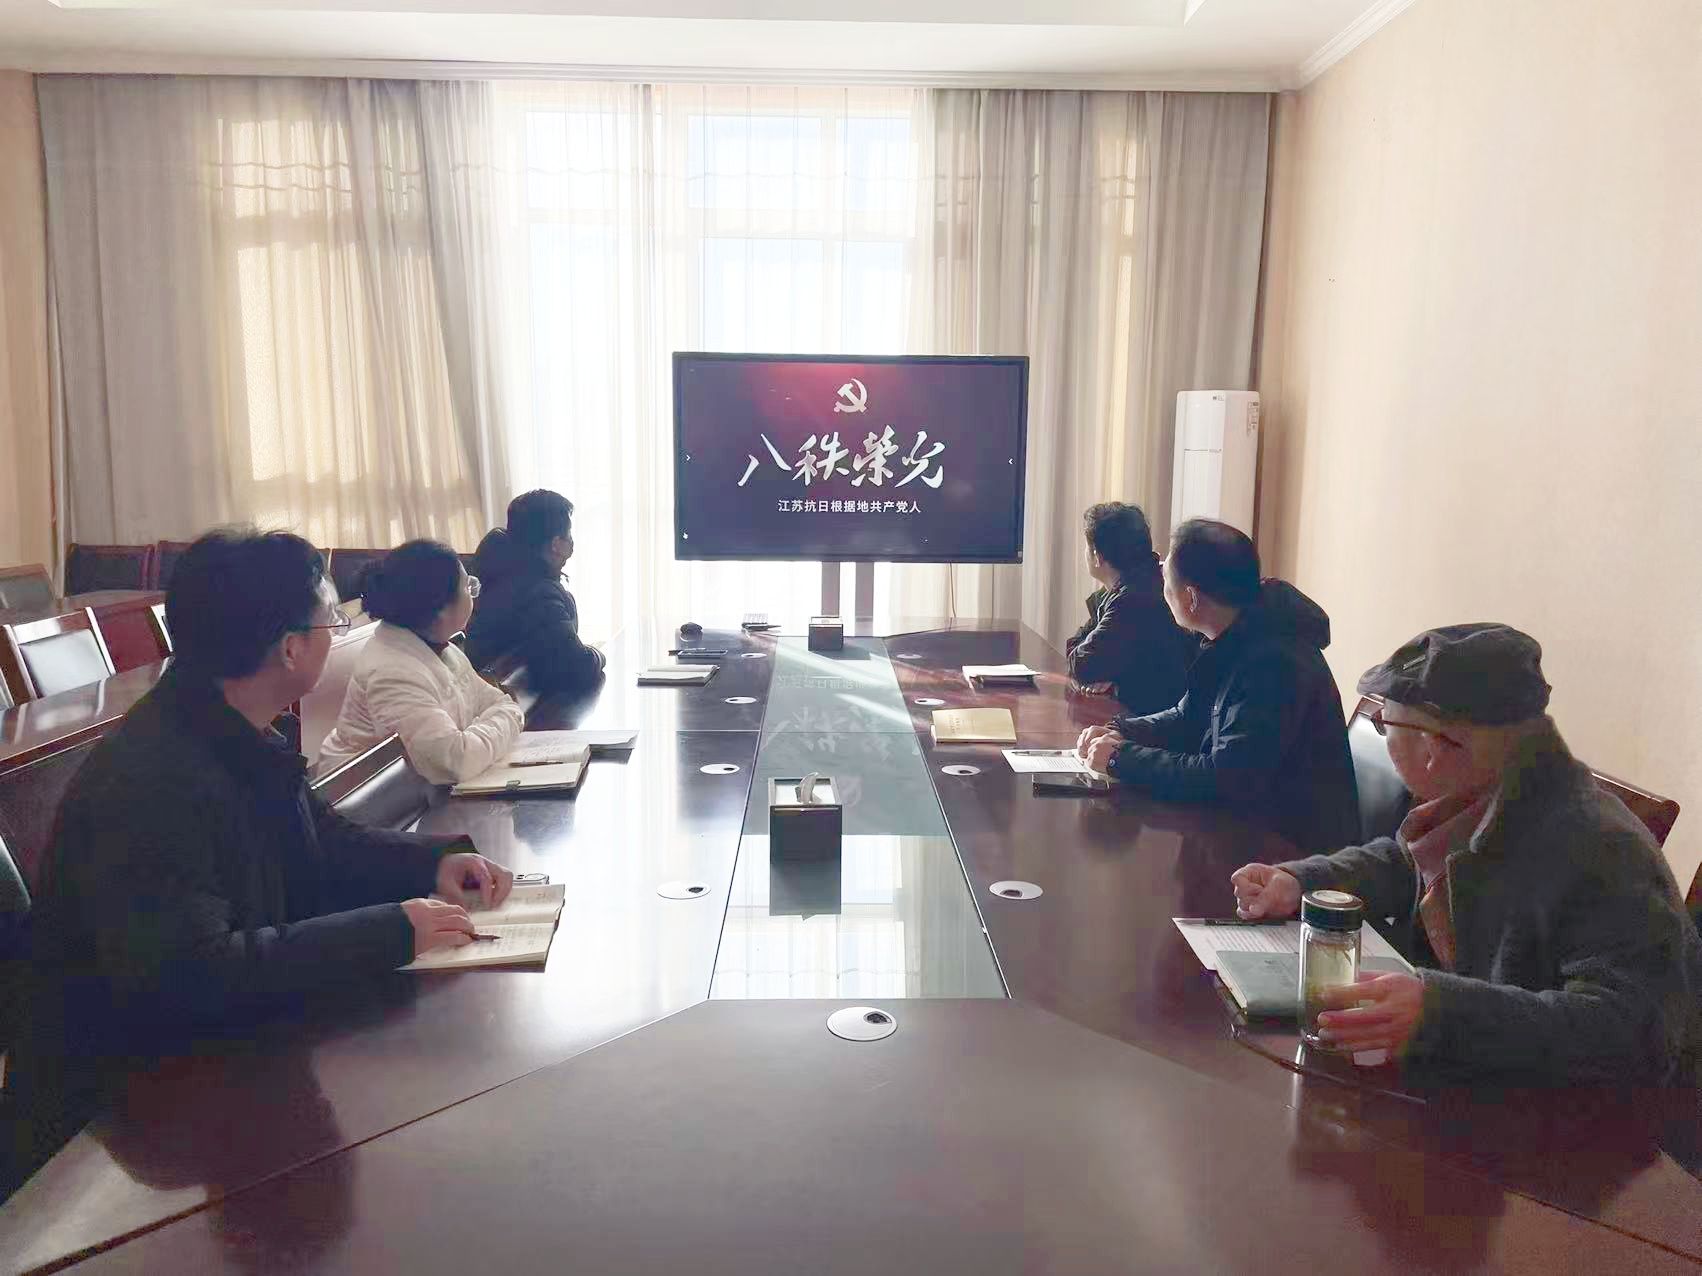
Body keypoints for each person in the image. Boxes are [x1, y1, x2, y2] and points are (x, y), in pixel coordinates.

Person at [4, 529, 512, 1194]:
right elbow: (195, 974)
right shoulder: (154, 780)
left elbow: (320, 839)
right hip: (113, 1118)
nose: (336, 633)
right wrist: (391, 930)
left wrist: (433, 865)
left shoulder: (227, 724)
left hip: (203, 1056)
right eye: (330, 620)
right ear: (291, 648)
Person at [1231, 625, 1702, 1085]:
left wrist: (1439, 1013)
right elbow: (1404, 864)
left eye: (1384, 723)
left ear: (1435, 748)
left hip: (1569, 1120)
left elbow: (1634, 1027)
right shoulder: (1486, 794)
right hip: (1480, 1077)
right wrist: (1303, 881)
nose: (1383, 734)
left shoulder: (1601, 848)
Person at [1076, 518, 1358, 853]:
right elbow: (1188, 716)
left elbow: (1226, 778)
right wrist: (1122, 731)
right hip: (1247, 828)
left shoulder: (1273, 663)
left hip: (1288, 850)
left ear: (1191, 598)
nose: (1161, 586)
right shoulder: (1234, 635)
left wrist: (1123, 759)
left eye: (1166, 580)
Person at [319, 540, 525, 783]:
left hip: (420, 789)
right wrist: (506, 721)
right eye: (467, 586)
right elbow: (455, 762)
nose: (473, 594)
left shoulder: (443, 647)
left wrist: (495, 722)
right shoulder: (391, 674)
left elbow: (502, 704)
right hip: (365, 796)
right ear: (441, 607)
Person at [465, 490, 606, 696]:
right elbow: (578, 667)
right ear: (556, 545)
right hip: (520, 707)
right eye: (568, 536)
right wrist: (599, 653)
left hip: (507, 697)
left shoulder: (503, 573)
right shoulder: (538, 593)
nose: (572, 543)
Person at [1063, 502, 1194, 714]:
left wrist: (1106, 673)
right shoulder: (1138, 583)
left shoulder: (1133, 598)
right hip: (1147, 711)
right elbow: (1077, 647)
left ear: (1096, 555)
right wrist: (1109, 673)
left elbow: (1081, 664)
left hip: (1155, 718)